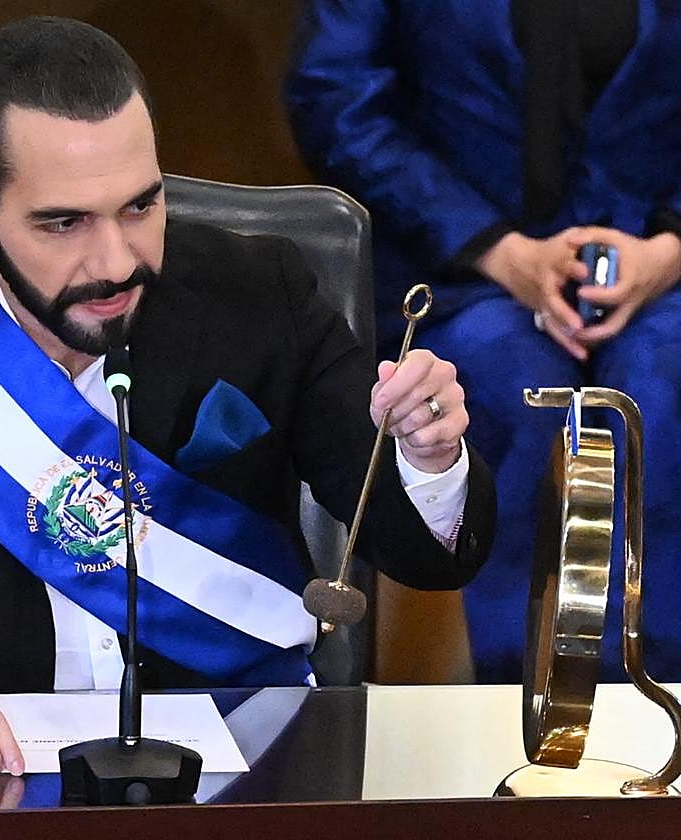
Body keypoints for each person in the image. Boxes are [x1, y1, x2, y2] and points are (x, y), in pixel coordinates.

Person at [0, 16, 494, 775]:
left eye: (141, 205)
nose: (116, 262)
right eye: (63, 224)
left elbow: (428, 555)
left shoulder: (260, 297)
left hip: (239, 780)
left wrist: (432, 455)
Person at [285, 1, 681, 683]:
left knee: (659, 393)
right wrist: (496, 249)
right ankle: (529, 715)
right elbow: (335, 93)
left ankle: (658, 711)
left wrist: (672, 249)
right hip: (458, 271)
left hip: (659, 269)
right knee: (516, 388)